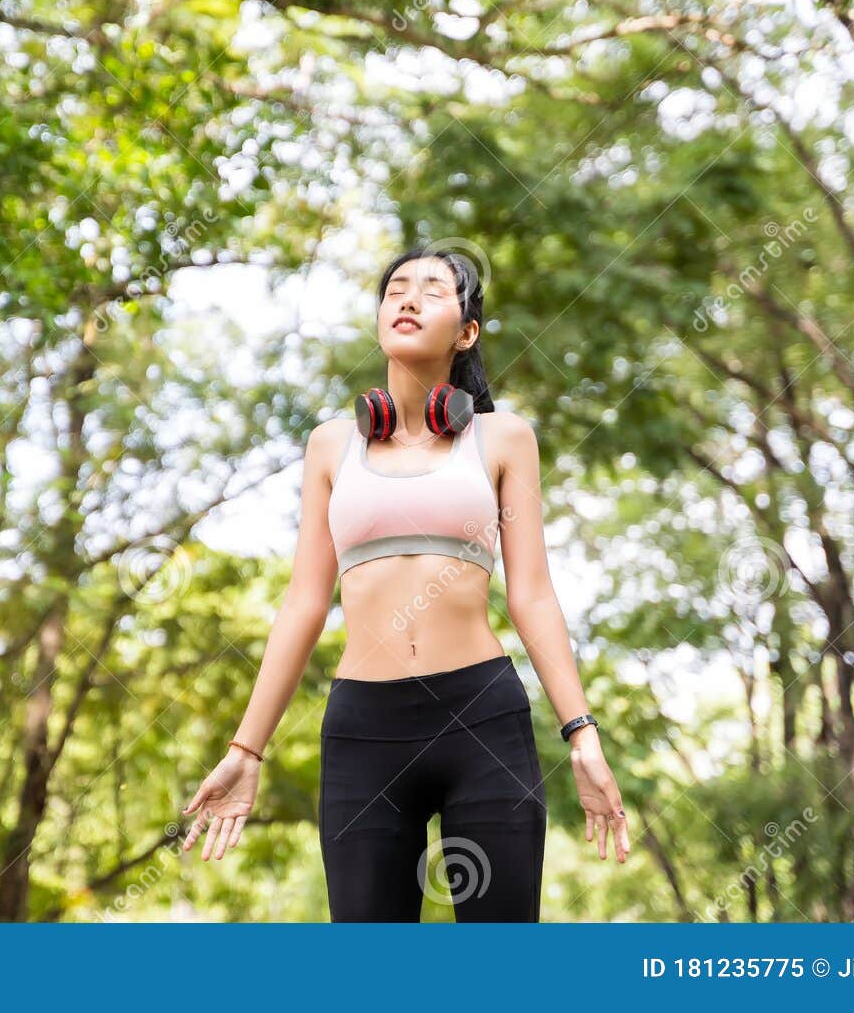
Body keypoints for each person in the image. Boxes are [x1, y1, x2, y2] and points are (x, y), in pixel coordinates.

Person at [181, 247, 628, 921]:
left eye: (432, 290)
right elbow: (305, 602)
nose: (408, 299)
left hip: (483, 719)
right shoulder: (332, 445)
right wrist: (246, 749)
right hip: (364, 729)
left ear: (467, 331)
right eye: (396, 289)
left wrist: (582, 734)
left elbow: (532, 594)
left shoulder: (504, 438)